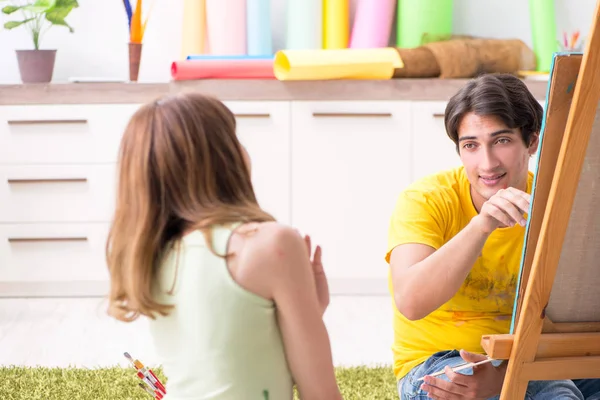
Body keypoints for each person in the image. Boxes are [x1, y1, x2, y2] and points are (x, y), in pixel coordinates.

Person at [105, 92, 343, 400]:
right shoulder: (271, 244)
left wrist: (307, 311)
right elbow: (321, 394)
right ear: (223, 157)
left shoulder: (148, 257)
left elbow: (228, 361)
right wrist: (305, 310)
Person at [386, 73, 600, 400]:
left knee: (553, 383)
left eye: (501, 141)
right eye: (470, 145)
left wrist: (503, 375)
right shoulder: (425, 200)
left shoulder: (558, 201)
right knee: (554, 393)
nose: (487, 164)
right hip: (440, 362)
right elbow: (411, 302)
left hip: (532, 355)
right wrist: (481, 226)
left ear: (531, 141)